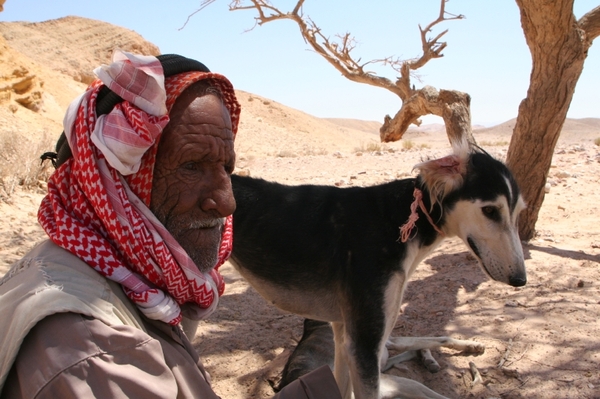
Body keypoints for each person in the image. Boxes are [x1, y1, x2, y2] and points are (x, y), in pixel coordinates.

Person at [0, 51, 340, 399]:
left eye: (226, 168)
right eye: (191, 167)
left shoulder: (75, 266)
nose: (227, 202)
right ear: (113, 183)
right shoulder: (99, 356)